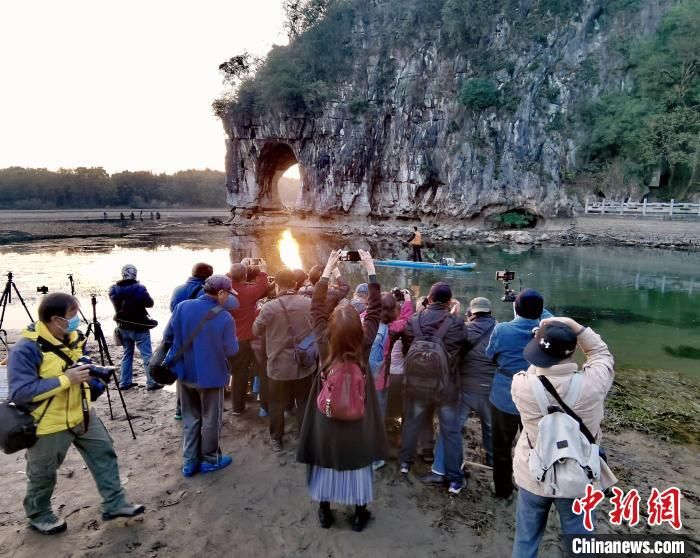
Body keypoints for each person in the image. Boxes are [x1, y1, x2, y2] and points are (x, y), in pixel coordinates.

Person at [7, 293, 144, 535]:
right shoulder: (26, 349)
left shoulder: (73, 336)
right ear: (55, 319)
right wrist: (66, 379)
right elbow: (20, 393)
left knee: (104, 453)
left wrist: (89, 369)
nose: (77, 321)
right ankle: (38, 515)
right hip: (47, 422)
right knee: (43, 473)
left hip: (82, 413)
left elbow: (76, 361)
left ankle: (115, 504)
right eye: (72, 316)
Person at [297, 250, 388, 532]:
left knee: (326, 456)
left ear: (332, 327)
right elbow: (374, 309)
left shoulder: (324, 342)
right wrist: (370, 269)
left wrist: (327, 271)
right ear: (359, 329)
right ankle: (360, 514)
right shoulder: (365, 342)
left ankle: (325, 511)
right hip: (359, 410)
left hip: (327, 411)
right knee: (358, 457)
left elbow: (316, 307)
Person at [511, 318, 616, 557]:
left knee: (525, 540)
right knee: (581, 542)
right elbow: (601, 354)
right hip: (578, 479)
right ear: (571, 351)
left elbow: (534, 368)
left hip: (533, 474)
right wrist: (577, 328)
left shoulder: (521, 385)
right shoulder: (594, 384)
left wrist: (541, 342)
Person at [162, 275, 239, 477]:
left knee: (190, 418)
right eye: (228, 294)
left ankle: (189, 462)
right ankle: (210, 459)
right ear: (221, 293)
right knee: (211, 419)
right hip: (212, 376)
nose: (228, 298)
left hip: (185, 373)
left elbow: (168, 337)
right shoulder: (225, 317)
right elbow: (231, 350)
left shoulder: (182, 307)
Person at [398, 282, 467, 495]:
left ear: (428, 297)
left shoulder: (413, 321)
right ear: (449, 301)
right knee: (450, 431)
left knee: (412, 423)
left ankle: (404, 463)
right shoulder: (456, 323)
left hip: (417, 383)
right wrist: (457, 314)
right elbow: (462, 345)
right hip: (445, 387)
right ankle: (455, 480)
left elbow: (406, 348)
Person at [485, 288, 552, 500]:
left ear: (515, 308)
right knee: (534, 445)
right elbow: (552, 319)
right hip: (536, 398)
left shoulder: (502, 329)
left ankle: (503, 490)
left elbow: (490, 355)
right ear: (540, 312)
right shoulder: (546, 333)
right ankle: (531, 486)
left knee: (501, 447)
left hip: (505, 395)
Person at [427, 296, 497, 484]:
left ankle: (439, 470)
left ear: (471, 313)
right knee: (491, 428)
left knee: (450, 430)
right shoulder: (500, 330)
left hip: (465, 388)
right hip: (490, 389)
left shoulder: (465, 329)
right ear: (489, 312)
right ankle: (493, 462)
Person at [253, 268, 313, 452]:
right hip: (303, 364)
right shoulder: (308, 303)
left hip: (278, 365)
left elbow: (256, 330)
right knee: (303, 402)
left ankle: (277, 440)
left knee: (276, 404)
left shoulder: (269, 307)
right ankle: (305, 437)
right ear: (295, 284)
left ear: (277, 286)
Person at [169, 262, 214, 420]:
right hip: (197, 337)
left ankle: (179, 409)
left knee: (181, 371)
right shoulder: (204, 292)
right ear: (208, 277)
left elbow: (172, 310)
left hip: (178, 334)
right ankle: (200, 410)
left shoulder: (177, 289)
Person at [109, 264, 161, 391]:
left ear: (123, 274)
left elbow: (116, 304)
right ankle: (151, 383)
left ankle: (125, 382)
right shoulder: (139, 288)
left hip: (123, 326)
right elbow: (150, 304)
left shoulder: (113, 289)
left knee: (127, 354)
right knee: (147, 356)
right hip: (140, 327)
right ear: (135, 274)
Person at [228, 260, 269, 416]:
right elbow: (262, 286)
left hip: (232, 339)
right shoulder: (247, 292)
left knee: (238, 374)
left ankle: (238, 407)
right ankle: (262, 403)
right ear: (244, 276)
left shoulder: (225, 289)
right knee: (261, 369)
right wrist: (263, 270)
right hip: (249, 338)